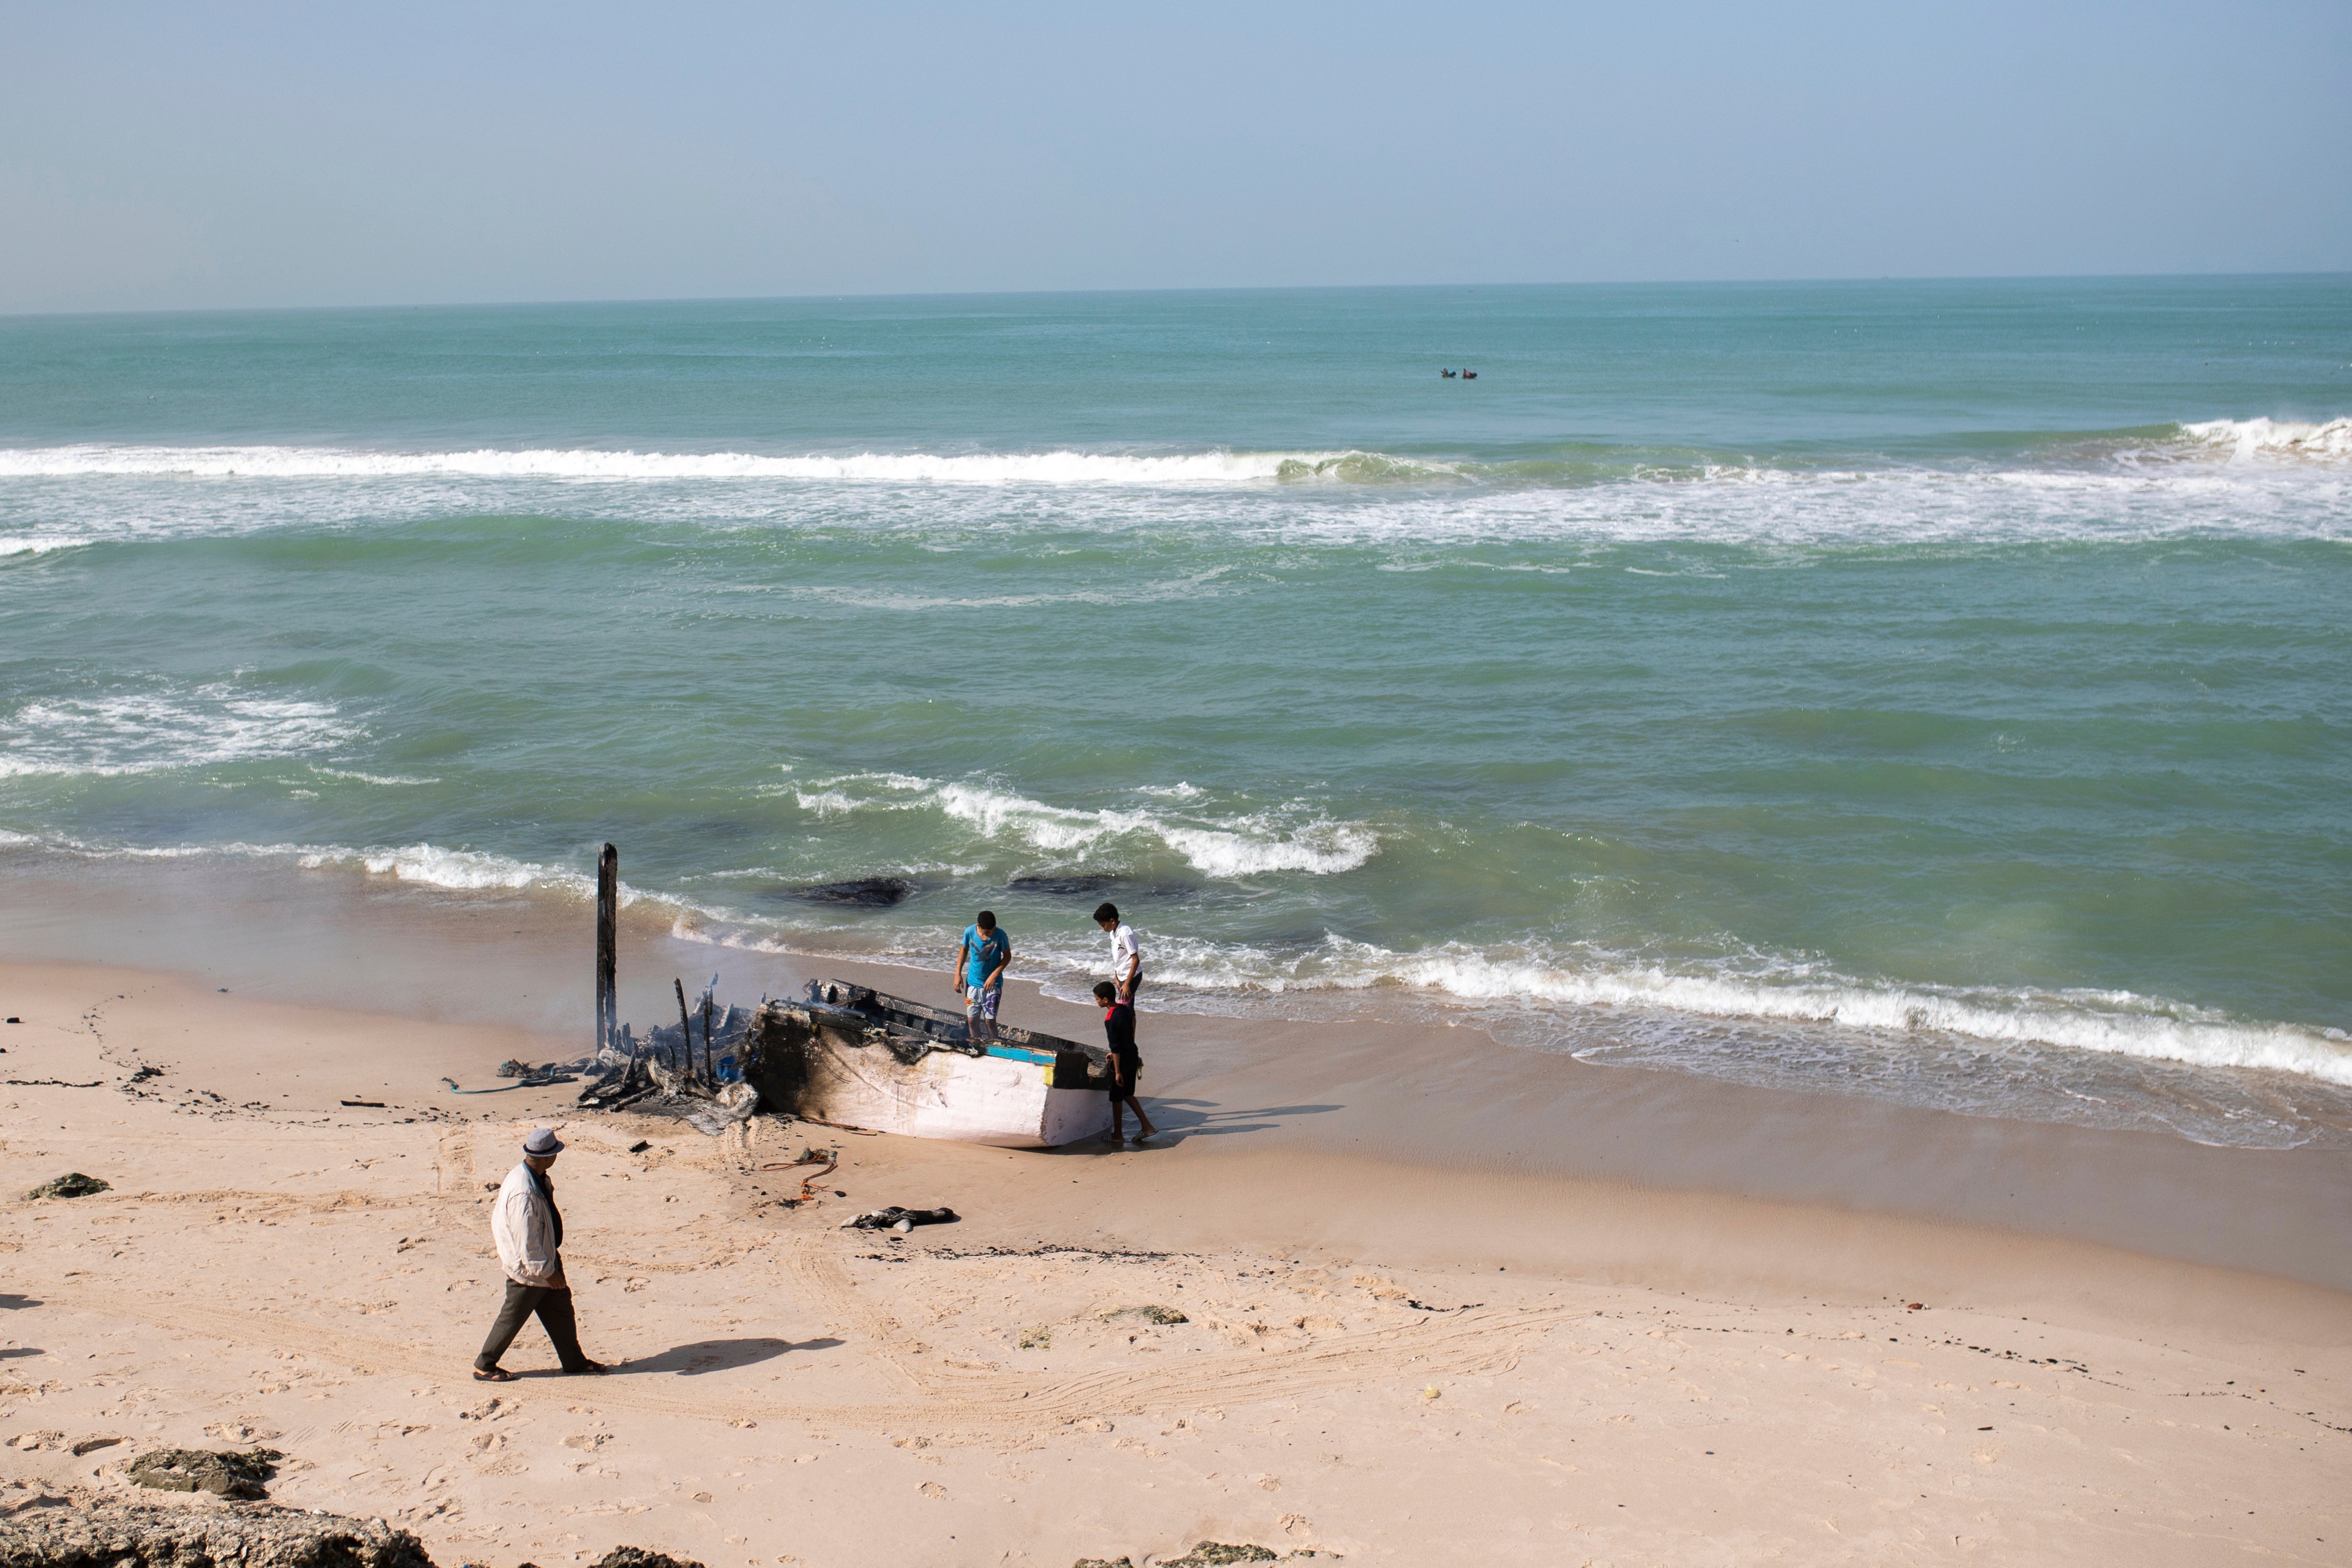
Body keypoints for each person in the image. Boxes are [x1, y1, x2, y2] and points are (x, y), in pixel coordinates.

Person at [474, 1127, 605, 1381]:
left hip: (545, 1258)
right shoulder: (524, 1192)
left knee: (561, 1310)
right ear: (548, 1157)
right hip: (531, 1268)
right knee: (512, 1317)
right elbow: (527, 1241)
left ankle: (574, 1362)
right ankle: (485, 1365)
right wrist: (547, 1271)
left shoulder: (535, 1176)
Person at [1095, 980, 1157, 1143]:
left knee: (1116, 1097)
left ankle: (1118, 1135)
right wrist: (1116, 1052)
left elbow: (1115, 1046)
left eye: (1097, 999)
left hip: (1122, 1060)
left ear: (1105, 1000)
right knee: (1128, 1094)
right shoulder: (1124, 1009)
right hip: (1133, 1055)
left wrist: (1117, 1072)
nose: (1096, 1002)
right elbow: (1127, 1035)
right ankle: (1147, 1127)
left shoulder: (1110, 1019)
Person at [952, 909, 1012, 1040]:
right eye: (987, 932)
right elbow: (964, 950)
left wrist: (994, 976)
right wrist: (958, 974)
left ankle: (994, 1046)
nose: (991, 934)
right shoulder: (969, 932)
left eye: (993, 930)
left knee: (990, 1021)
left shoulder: (1001, 935)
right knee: (972, 1021)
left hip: (993, 985)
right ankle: (977, 1045)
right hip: (973, 983)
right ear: (979, 927)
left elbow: (1007, 956)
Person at [1094, 902, 1141, 1003]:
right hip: (1121, 975)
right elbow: (1119, 956)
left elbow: (1136, 960)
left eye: (1103, 925)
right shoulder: (1112, 932)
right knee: (1128, 1008)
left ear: (1112, 921)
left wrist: (1127, 983)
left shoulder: (1125, 934)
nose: (1102, 928)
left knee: (1123, 1005)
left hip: (1131, 976)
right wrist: (1116, 975)